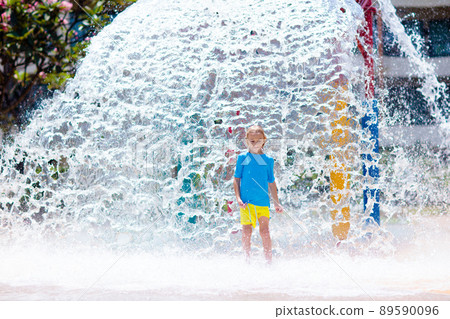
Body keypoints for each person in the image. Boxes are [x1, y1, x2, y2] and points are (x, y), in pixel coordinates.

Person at [233, 125, 283, 263]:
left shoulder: (267, 160)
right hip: (246, 203)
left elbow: (271, 182)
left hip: (262, 203)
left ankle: (269, 262)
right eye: (252, 141)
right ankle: (246, 260)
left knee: (265, 232)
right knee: (247, 231)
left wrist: (276, 203)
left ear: (264, 141)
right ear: (247, 141)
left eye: (258, 140)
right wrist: (238, 198)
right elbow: (237, 179)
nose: (255, 144)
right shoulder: (244, 158)